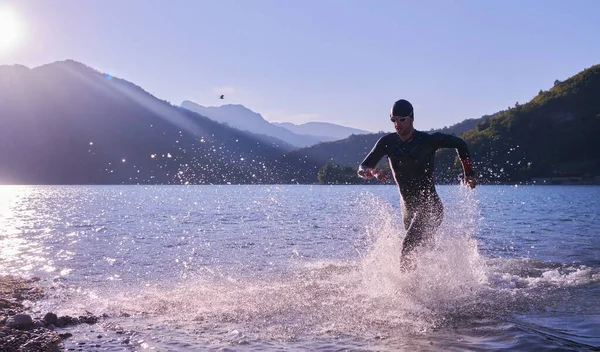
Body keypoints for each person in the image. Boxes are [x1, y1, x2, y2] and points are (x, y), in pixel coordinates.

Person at [357, 99, 476, 270]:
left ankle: (407, 294)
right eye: (393, 120)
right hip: (408, 209)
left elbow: (460, 144)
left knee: (408, 247)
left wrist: (469, 173)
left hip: (431, 207)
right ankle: (438, 282)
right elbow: (362, 167)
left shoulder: (428, 140)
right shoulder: (387, 143)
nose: (397, 124)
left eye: (402, 119)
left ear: (412, 118)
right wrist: (373, 172)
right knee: (420, 251)